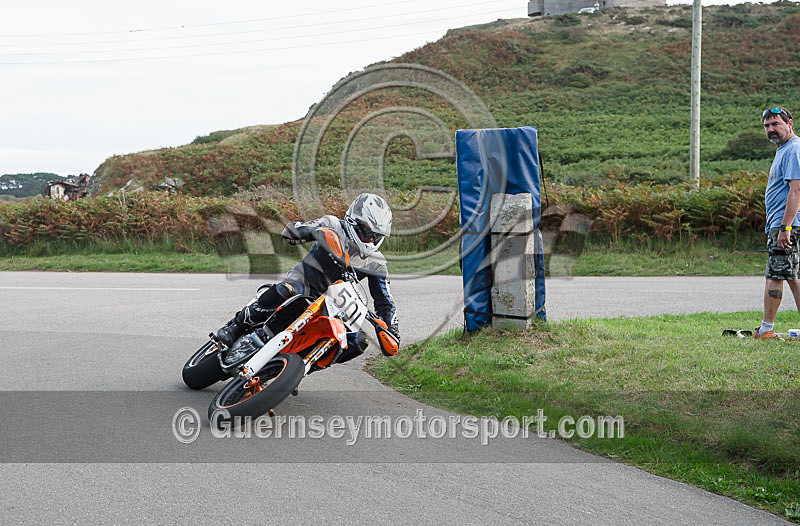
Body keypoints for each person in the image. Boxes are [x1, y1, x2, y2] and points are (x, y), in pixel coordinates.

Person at [215, 193, 399, 361]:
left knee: (358, 342)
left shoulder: (377, 262)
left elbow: (385, 301)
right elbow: (291, 231)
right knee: (288, 290)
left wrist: (392, 331)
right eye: (367, 231)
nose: (370, 240)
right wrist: (311, 232)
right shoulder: (332, 225)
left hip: (335, 305)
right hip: (304, 283)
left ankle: (299, 366)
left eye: (376, 236)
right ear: (354, 221)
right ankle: (234, 327)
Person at [755, 106, 800, 338]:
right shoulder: (784, 149)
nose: (771, 129)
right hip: (783, 224)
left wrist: (786, 227)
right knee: (792, 275)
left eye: (776, 124)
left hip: (786, 225)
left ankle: (766, 330)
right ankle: (766, 329)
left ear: (789, 123)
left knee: (778, 275)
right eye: (767, 126)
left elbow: (796, 191)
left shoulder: (793, 149)